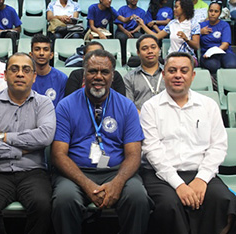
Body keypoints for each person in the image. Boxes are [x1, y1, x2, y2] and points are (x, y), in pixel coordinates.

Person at [51, 49, 152, 234]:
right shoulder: (65, 106)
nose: (98, 76)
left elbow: (134, 154)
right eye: (92, 71)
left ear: (112, 76)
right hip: (76, 172)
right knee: (64, 199)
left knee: (138, 198)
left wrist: (118, 183)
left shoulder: (127, 106)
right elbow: (58, 155)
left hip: (116, 172)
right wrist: (87, 184)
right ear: (84, 74)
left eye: (104, 72)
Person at [140, 52, 236, 234]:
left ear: (192, 75)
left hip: (200, 172)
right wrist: (179, 185)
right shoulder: (150, 107)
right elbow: (152, 151)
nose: (178, 75)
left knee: (223, 200)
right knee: (169, 205)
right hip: (161, 175)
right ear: (163, 74)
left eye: (184, 71)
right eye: (172, 70)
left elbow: (218, 146)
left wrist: (202, 178)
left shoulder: (208, 105)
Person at [0, 52, 56, 234]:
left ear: (34, 77)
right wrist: (20, 151)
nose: (20, 74)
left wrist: (3, 137)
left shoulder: (44, 104)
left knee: (44, 206)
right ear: (5, 75)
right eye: (14, 69)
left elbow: (44, 136)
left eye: (26, 70)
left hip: (33, 172)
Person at [124, 34, 165, 111]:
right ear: (138, 53)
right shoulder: (129, 77)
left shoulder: (170, 74)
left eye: (153, 47)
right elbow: (129, 106)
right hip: (141, 120)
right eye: (144, 48)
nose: (150, 51)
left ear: (159, 50)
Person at [30, 34, 68, 107]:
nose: (41, 53)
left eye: (46, 49)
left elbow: (62, 109)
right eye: (37, 49)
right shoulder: (25, 78)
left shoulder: (62, 78)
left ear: (51, 55)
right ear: (31, 54)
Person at [199, 1, 236, 75]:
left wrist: (214, 51)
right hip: (207, 55)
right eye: (211, 11)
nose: (213, 13)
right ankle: (215, 85)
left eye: (216, 11)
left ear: (220, 13)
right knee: (214, 66)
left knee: (232, 65)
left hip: (224, 52)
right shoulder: (201, 25)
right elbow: (194, 41)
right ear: (208, 11)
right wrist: (200, 32)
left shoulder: (224, 25)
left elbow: (225, 44)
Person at [115, 0, 146, 64]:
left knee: (141, 37)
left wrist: (134, 31)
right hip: (122, 31)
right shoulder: (122, 9)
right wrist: (126, 32)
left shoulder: (141, 11)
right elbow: (119, 24)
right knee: (122, 38)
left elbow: (141, 25)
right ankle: (123, 60)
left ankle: (139, 59)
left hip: (134, 31)